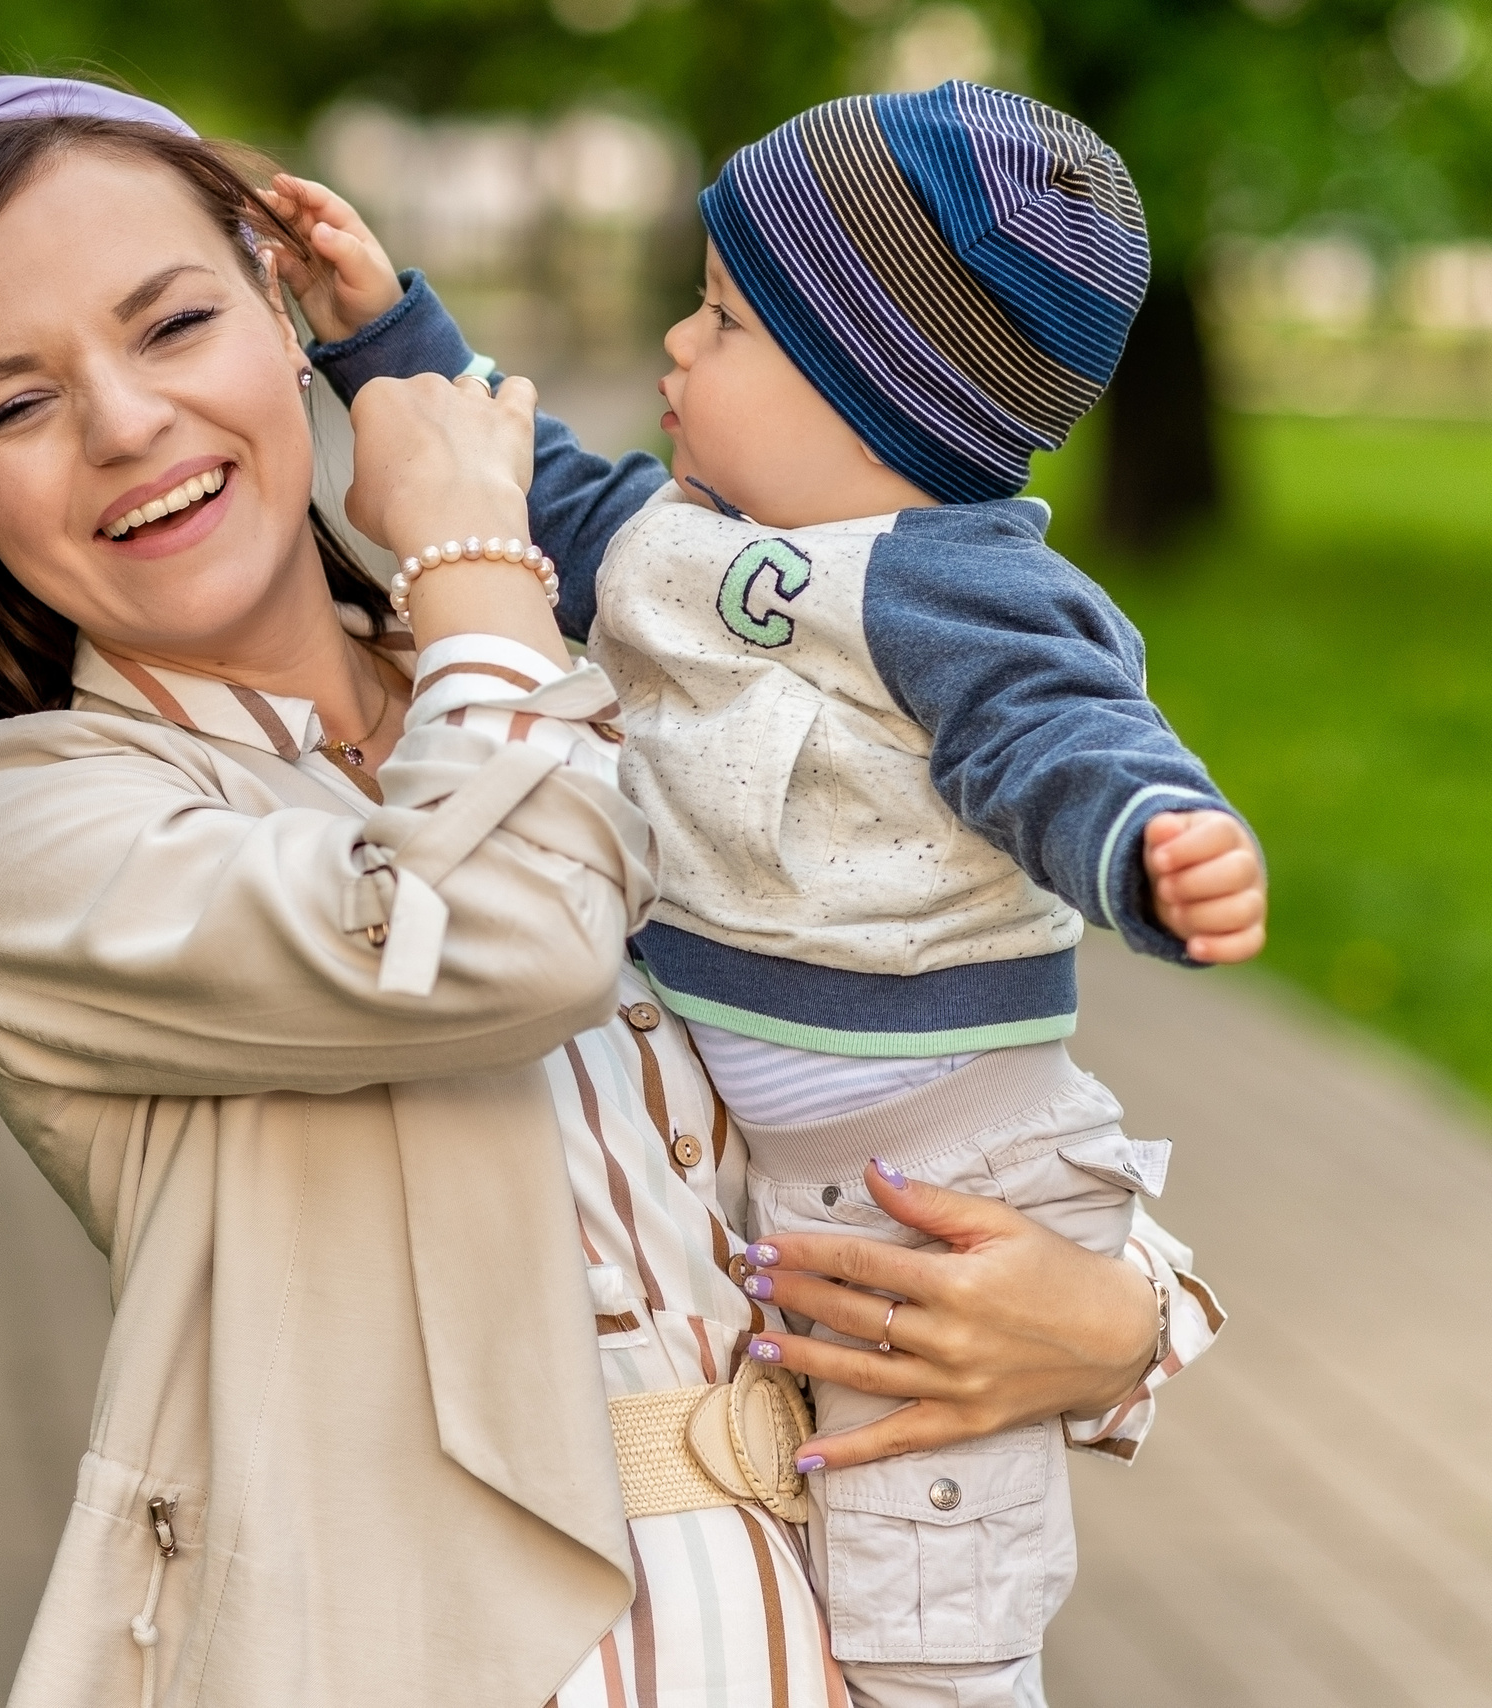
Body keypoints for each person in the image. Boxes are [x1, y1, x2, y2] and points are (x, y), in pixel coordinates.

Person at [0, 74, 1221, 1708]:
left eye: (171, 325)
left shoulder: (574, 669)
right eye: (12, 406)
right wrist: (469, 558)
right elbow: (518, 944)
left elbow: (908, 1079)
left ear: (282, 310)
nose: (127, 424)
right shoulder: (31, 835)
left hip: (828, 1642)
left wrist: (1121, 1324)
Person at [267, 81, 1258, 1706]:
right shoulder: (693, 544)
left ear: (874, 390)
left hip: (948, 1158)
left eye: (723, 322)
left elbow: (1061, 736)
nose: (674, 343)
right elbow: (538, 497)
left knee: (929, 1573)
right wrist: (388, 331)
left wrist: (1153, 847)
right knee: (853, 1509)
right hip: (795, 1167)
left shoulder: (960, 581)